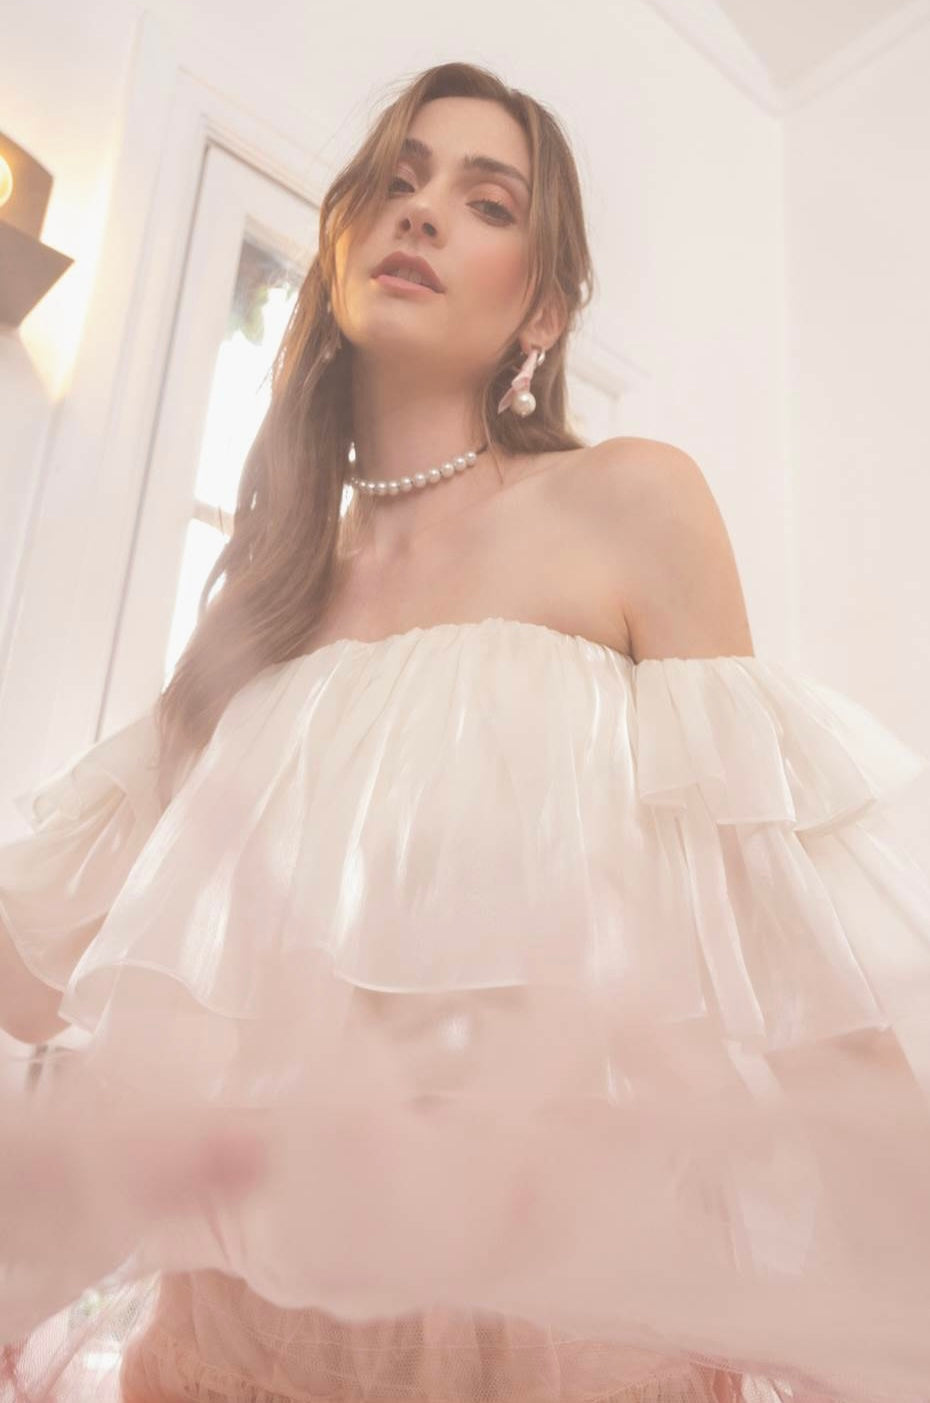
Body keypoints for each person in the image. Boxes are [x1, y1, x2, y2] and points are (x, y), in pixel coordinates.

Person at [2, 58, 930, 1403]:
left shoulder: (628, 505)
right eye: (396, 179)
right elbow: (44, 968)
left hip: (557, 1345)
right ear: (338, 245)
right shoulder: (262, 612)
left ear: (542, 307)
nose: (422, 211)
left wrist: (902, 1273)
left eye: (484, 201)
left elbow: (786, 942)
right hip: (227, 1349)